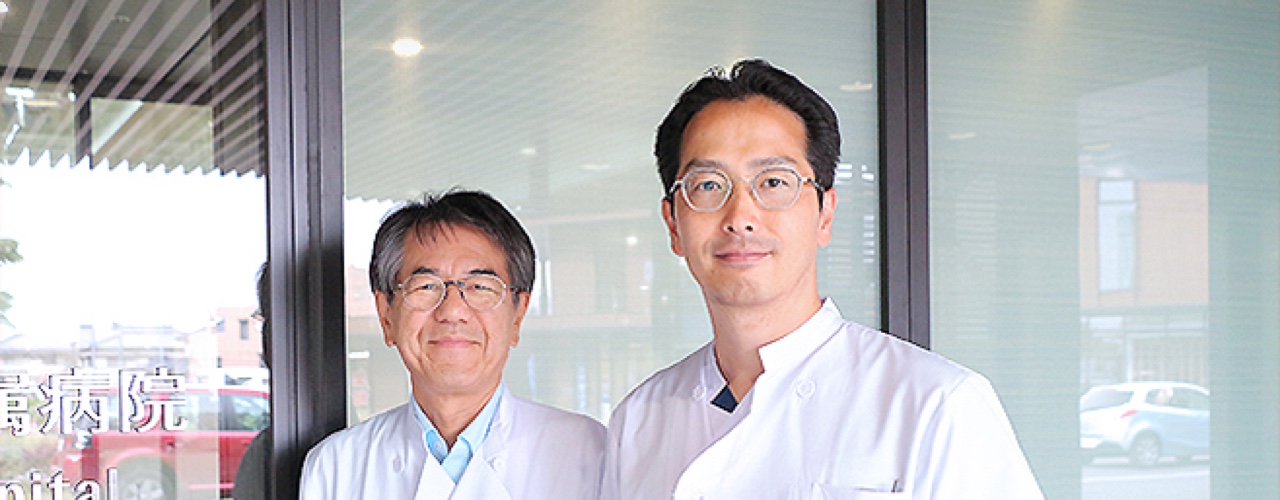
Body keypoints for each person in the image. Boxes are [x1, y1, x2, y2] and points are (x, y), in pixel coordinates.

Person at [602, 60, 1044, 499]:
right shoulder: (639, 421)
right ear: (673, 225)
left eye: (774, 182)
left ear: (825, 214)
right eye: (709, 185)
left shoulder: (937, 404)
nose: (740, 217)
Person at [301, 190, 605, 499]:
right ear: (386, 315)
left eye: (480, 287)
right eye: (426, 286)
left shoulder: (589, 454)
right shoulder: (336, 468)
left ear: (517, 315)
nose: (453, 311)